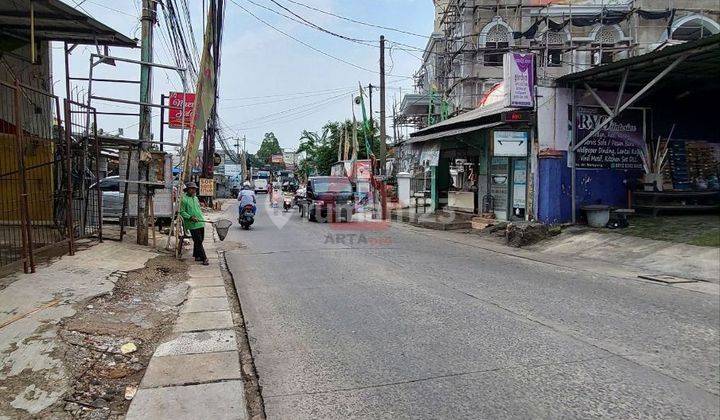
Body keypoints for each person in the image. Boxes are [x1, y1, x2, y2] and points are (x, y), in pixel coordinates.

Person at [179, 182, 208, 265]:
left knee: (200, 240)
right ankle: (204, 258)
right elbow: (181, 212)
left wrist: (200, 217)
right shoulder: (183, 199)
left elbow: (198, 209)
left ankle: (197, 255)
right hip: (192, 224)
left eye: (194, 189)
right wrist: (190, 217)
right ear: (187, 190)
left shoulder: (195, 198)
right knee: (198, 241)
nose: (193, 190)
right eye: (192, 188)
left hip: (200, 222)